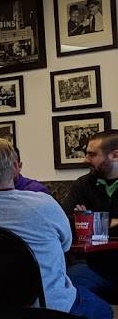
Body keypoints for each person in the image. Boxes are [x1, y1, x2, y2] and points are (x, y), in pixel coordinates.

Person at [0, 137, 111, 319]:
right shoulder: (43, 204)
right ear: (15, 167)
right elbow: (66, 245)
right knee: (104, 311)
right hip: (47, 309)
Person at [64, 129, 118, 306]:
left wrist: (88, 220)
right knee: (66, 284)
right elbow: (66, 221)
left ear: (115, 155)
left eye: (92, 154)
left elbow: (81, 224)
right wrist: (111, 223)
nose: (85, 159)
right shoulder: (83, 184)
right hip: (93, 264)